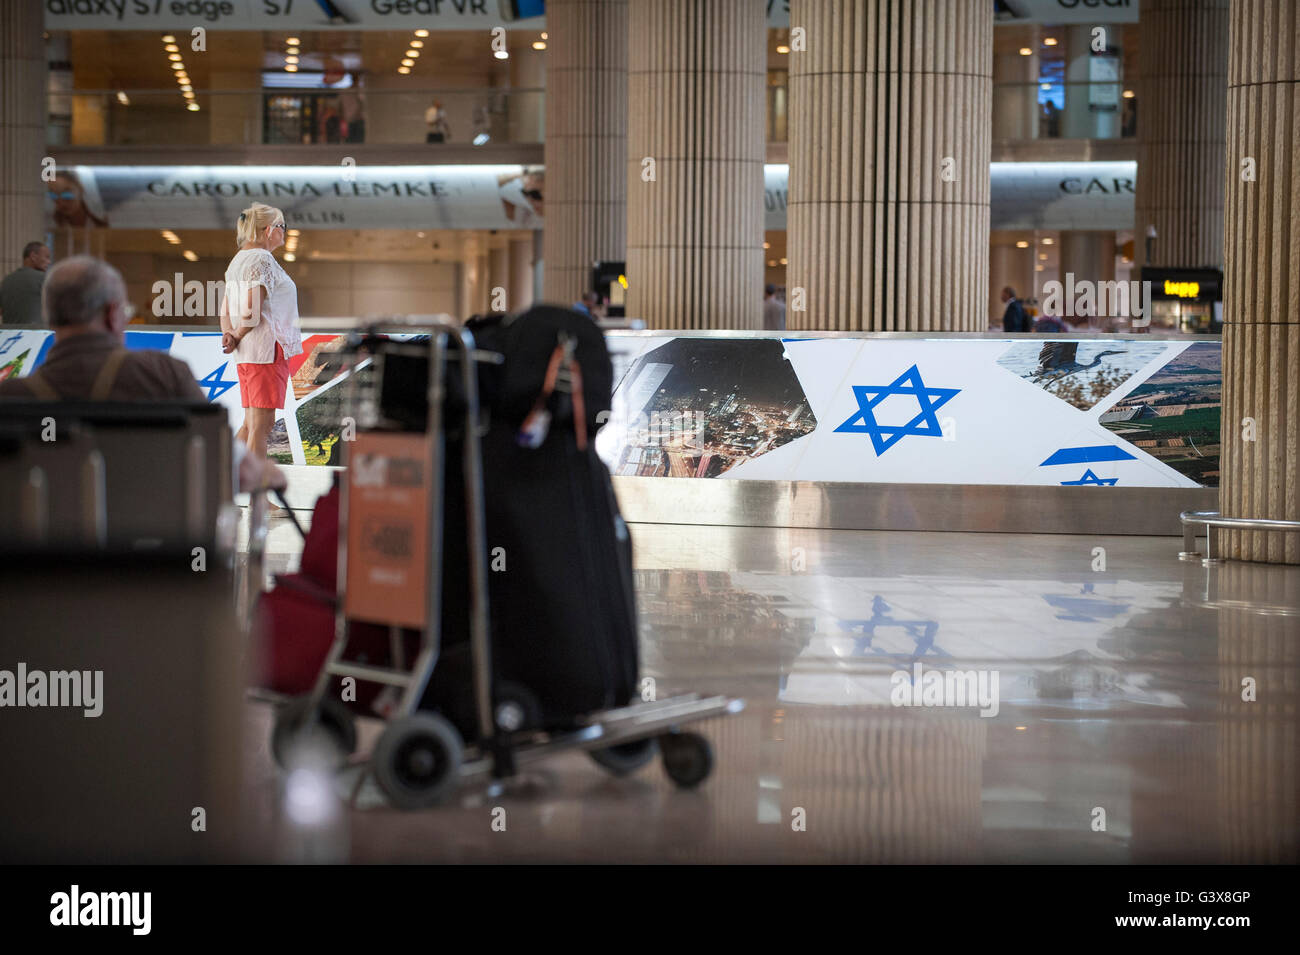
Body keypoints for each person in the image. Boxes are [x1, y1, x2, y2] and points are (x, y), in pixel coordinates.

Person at [0, 255, 285, 493]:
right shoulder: (163, 375)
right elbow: (229, 467)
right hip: (152, 542)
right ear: (112, 314)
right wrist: (270, 475)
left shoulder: (10, 398)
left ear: (49, 317)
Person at [219, 203, 303, 463]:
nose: (284, 232)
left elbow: (225, 310)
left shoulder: (237, 261)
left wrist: (230, 334)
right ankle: (256, 489)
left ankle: (222, 480)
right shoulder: (262, 259)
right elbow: (253, 310)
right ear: (269, 230)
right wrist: (237, 334)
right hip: (267, 350)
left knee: (250, 424)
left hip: (247, 352)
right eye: (282, 227)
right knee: (261, 427)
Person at [0, 242, 51, 325]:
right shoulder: (44, 278)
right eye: (47, 257)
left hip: (8, 332)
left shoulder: (7, 280)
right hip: (37, 332)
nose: (49, 262)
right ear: (33, 256)